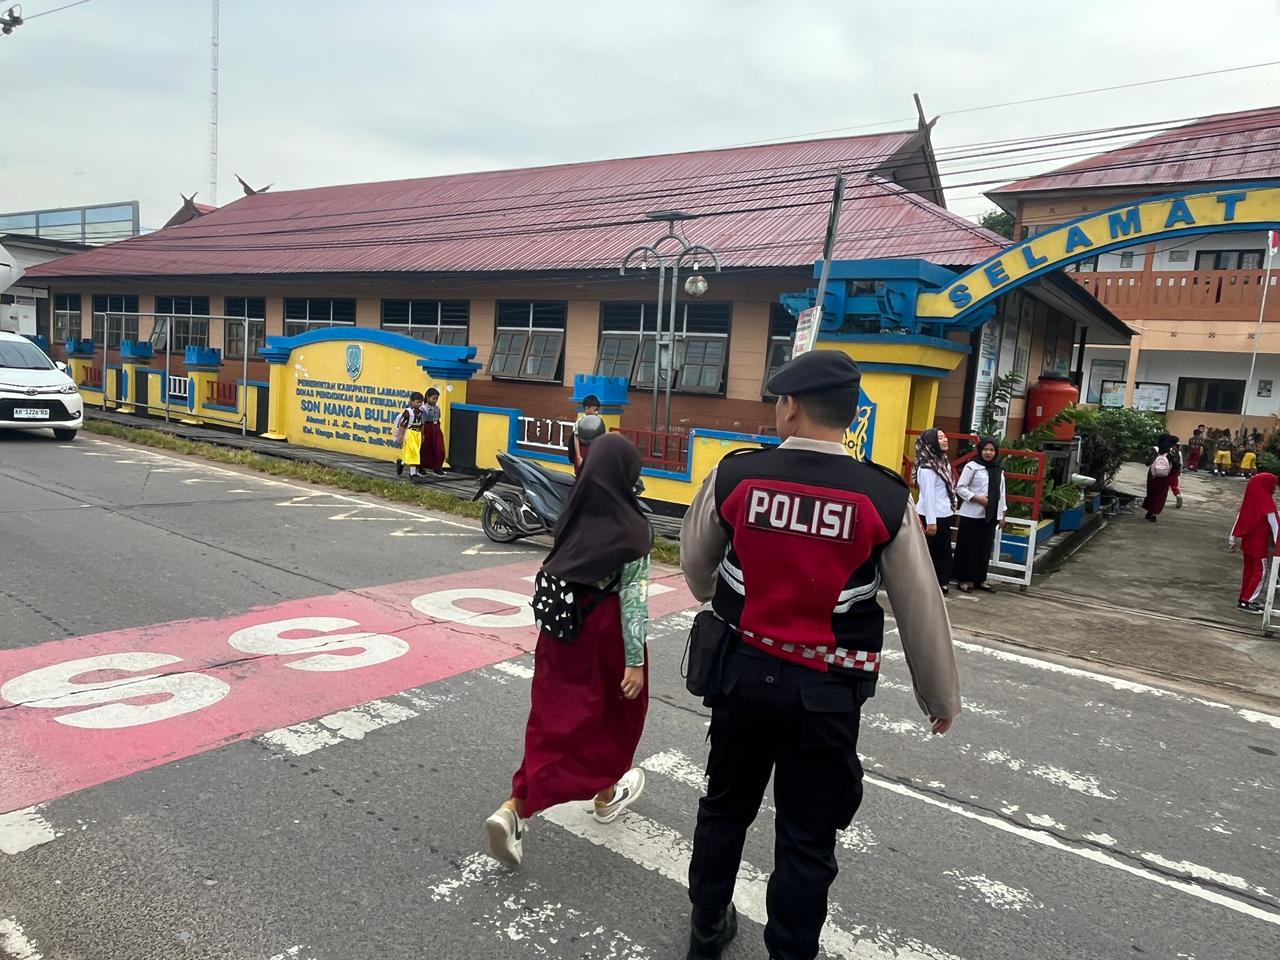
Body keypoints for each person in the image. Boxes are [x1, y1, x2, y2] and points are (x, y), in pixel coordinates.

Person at [679, 350, 960, 960]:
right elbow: (919, 604)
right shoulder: (884, 497)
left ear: (790, 407)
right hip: (827, 694)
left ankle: (706, 932)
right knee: (807, 838)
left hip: (741, 676)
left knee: (724, 809)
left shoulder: (736, 477)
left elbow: (697, 568)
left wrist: (719, 592)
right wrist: (939, 697)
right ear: (852, 415)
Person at [485, 432, 653, 867]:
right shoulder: (634, 529)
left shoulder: (571, 515)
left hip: (561, 633)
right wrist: (635, 661)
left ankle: (532, 804)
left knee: (555, 720)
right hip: (607, 636)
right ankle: (534, 803)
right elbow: (634, 600)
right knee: (615, 718)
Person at [953, 437, 1007, 593]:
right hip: (971, 515)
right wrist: (977, 498)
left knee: (983, 549)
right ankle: (963, 579)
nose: (988, 453)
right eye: (985, 449)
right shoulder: (972, 467)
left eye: (992, 450)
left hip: (989, 516)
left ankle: (979, 579)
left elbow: (1001, 493)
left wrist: (1002, 514)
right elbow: (960, 488)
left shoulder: (998, 469)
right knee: (967, 548)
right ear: (980, 450)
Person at [913, 428, 958, 594]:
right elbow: (928, 496)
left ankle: (941, 581)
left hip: (944, 513)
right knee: (930, 552)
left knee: (943, 550)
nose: (945, 440)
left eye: (945, 436)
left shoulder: (942, 461)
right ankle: (928, 584)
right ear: (931, 442)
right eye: (940, 438)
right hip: (931, 516)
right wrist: (931, 523)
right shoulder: (927, 468)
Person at [1229, 472, 1278, 614]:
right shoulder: (1267, 503)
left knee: (1249, 572)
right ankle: (1247, 601)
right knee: (1260, 572)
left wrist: (1232, 538)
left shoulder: (1250, 502)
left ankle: (1244, 597)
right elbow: (1276, 527)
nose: (1274, 488)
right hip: (1259, 546)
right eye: (1273, 485)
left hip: (1248, 544)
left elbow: (1240, 519)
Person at [1143, 434, 1180, 522]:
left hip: (1152, 475)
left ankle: (1149, 510)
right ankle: (1153, 513)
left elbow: (1147, 462)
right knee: (1161, 495)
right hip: (1165, 476)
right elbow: (1176, 465)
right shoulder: (1173, 450)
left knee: (1151, 493)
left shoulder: (1155, 449)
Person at [393, 391, 426, 482]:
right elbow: (403, 425)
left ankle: (401, 463)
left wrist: (422, 434)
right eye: (417, 402)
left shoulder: (421, 412)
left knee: (414, 452)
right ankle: (413, 473)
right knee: (413, 452)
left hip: (417, 434)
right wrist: (400, 436)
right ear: (411, 401)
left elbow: (422, 424)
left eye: (421, 402)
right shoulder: (408, 412)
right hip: (410, 433)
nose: (419, 404)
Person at [568, 394, 604, 475]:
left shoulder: (598, 421)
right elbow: (576, 438)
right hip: (583, 450)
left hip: (594, 450)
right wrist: (578, 456)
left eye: (598, 410)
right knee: (581, 473)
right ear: (586, 409)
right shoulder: (580, 421)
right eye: (595, 410)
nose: (597, 413)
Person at [421, 387, 447, 476]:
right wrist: (422, 434)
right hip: (427, 428)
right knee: (425, 448)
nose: (435, 400)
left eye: (436, 399)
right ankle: (420, 467)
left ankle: (437, 467)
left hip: (436, 428)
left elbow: (438, 418)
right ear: (427, 397)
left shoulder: (437, 408)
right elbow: (422, 422)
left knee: (440, 448)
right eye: (433, 398)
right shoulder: (424, 409)